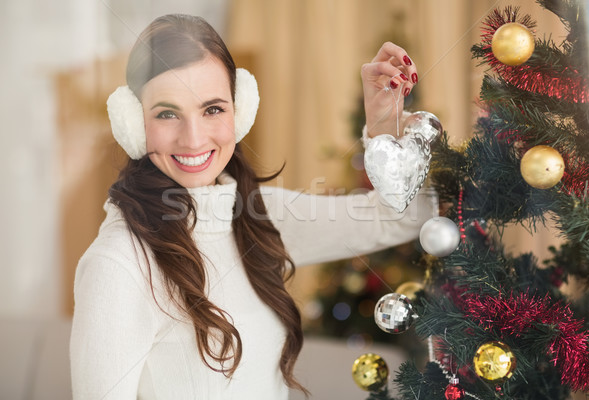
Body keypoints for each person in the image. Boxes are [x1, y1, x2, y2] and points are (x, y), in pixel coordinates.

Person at [70, 13, 433, 400]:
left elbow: (404, 217)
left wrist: (383, 130)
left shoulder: (260, 216)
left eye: (212, 109)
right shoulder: (117, 263)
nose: (193, 139)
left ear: (239, 111)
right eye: (167, 113)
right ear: (132, 123)